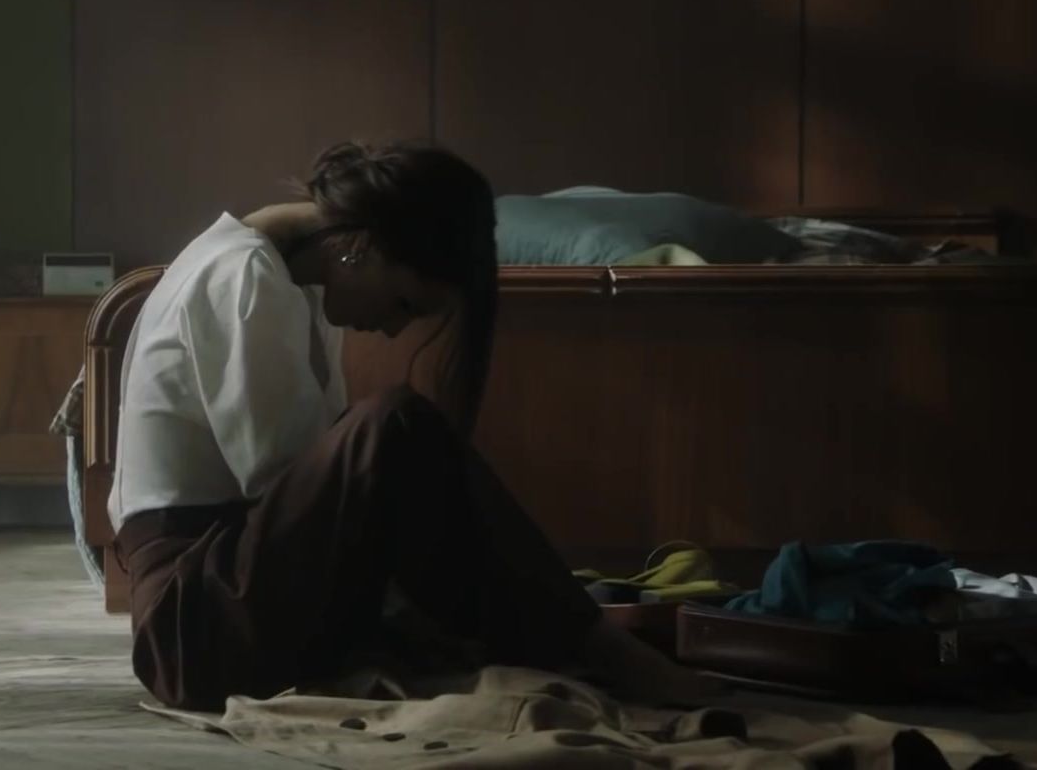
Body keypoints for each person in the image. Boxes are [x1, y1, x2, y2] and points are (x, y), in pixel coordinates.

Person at [108, 140, 721, 712]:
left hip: (231, 591)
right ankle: (597, 646)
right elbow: (294, 487)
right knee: (394, 425)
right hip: (193, 625)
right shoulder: (240, 275)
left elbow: (317, 505)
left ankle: (575, 634)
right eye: (405, 302)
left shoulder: (283, 279)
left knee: (400, 451)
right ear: (362, 245)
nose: (396, 327)